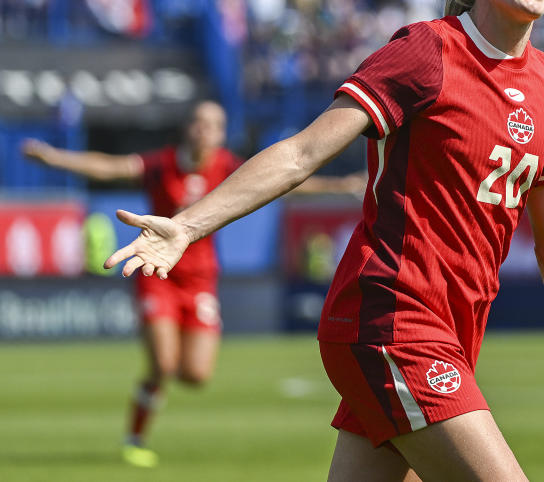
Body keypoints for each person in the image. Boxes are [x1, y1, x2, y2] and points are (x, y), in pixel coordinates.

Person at [104, 0, 544, 481]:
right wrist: (186, 225)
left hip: (453, 332)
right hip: (392, 318)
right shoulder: (427, 53)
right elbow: (303, 151)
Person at [22, 100, 363, 469]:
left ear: (220, 133)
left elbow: (289, 181)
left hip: (200, 281)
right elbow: (110, 166)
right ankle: (135, 436)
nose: (205, 130)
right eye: (199, 123)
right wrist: (56, 159)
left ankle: (156, 388)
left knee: (197, 374)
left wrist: (337, 182)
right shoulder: (162, 164)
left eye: (213, 125)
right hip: (158, 276)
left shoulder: (226, 167)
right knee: (163, 364)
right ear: (189, 128)